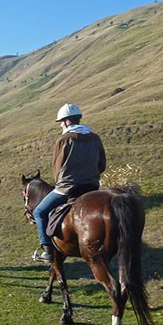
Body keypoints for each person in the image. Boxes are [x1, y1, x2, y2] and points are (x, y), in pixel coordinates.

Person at [33, 103, 106, 262]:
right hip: (92, 187)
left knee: (39, 212)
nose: (60, 125)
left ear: (67, 122)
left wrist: (60, 183)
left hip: (68, 188)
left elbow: (57, 168)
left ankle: (47, 250)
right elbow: (102, 165)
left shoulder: (64, 140)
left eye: (61, 122)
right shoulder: (95, 137)